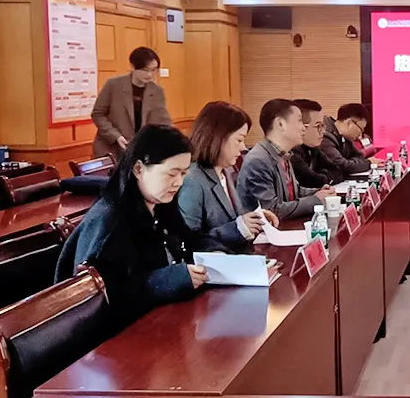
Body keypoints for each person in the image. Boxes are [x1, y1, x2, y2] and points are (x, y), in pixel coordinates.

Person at [55, 125, 226, 329]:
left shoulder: (160, 204)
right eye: (172, 174)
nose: (179, 182)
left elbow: (187, 238)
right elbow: (104, 298)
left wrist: (214, 252)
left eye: (183, 173)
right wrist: (169, 280)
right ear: (138, 169)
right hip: (120, 335)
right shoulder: (110, 221)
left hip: (163, 317)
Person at [178, 101, 279, 252]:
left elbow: (228, 218)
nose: (243, 147)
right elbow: (188, 242)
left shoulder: (225, 171)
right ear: (218, 137)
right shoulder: (193, 180)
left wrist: (255, 219)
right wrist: (238, 228)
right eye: (239, 140)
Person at [237, 99, 334, 220]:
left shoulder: (283, 155)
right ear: (280, 124)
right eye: (299, 120)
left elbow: (293, 192)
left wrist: (318, 192)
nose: (303, 127)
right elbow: (271, 211)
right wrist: (315, 200)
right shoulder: (258, 160)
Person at [91, 47, 172, 158]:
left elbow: (163, 122)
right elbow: (98, 114)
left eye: (153, 70)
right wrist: (115, 136)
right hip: (111, 149)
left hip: (140, 150)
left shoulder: (157, 91)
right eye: (145, 70)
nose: (149, 74)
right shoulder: (113, 85)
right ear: (133, 66)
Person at [291, 99, 342, 189]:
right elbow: (311, 181)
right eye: (318, 126)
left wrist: (320, 175)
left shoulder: (312, 149)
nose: (323, 131)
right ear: (302, 126)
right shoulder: (291, 152)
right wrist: (323, 175)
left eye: (323, 125)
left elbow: (338, 171)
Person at [321, 103, 379, 179]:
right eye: (360, 129)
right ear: (349, 123)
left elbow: (359, 156)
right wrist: (368, 163)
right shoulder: (324, 136)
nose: (360, 134)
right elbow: (341, 165)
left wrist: (351, 162)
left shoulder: (345, 136)